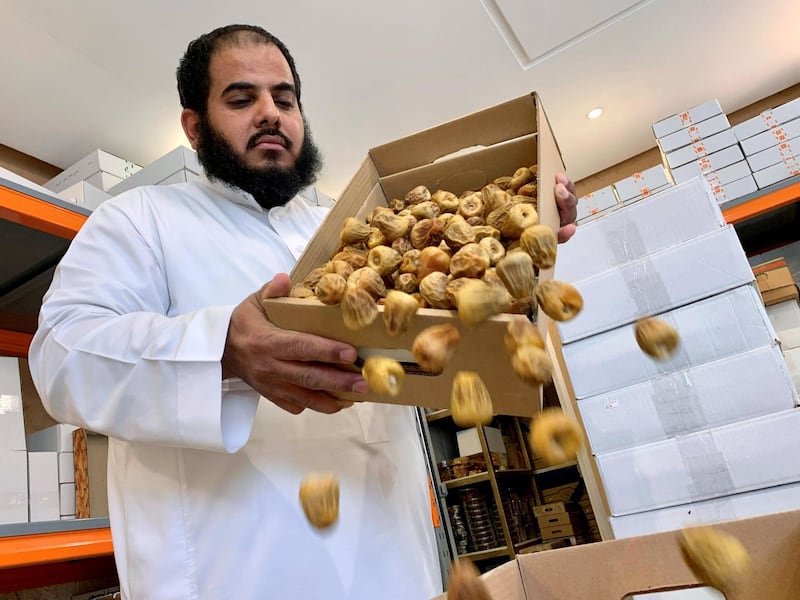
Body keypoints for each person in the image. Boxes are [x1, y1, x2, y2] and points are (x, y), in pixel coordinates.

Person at [29, 24, 578, 600]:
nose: (270, 113)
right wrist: (223, 350)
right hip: (237, 574)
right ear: (194, 127)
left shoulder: (342, 228)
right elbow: (62, 356)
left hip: (394, 560)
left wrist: (524, 249)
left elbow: (442, 326)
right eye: (242, 99)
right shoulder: (139, 219)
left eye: (284, 99)